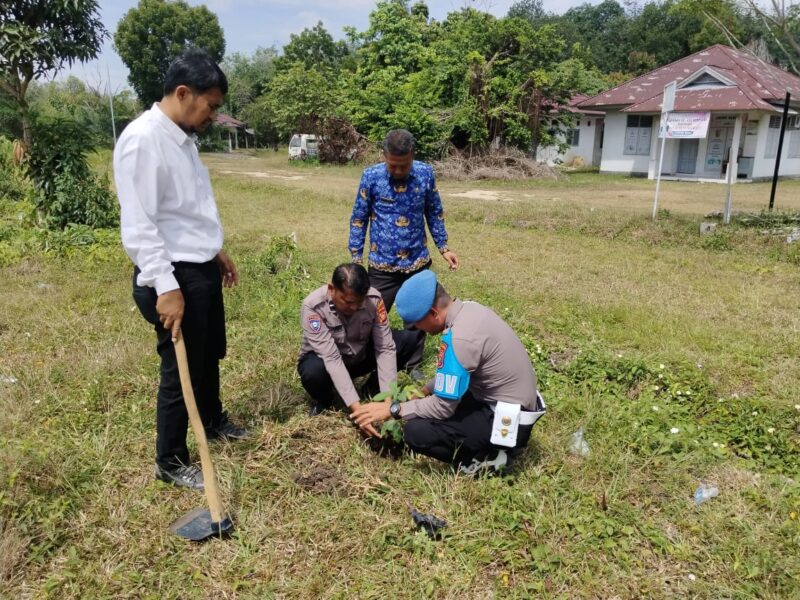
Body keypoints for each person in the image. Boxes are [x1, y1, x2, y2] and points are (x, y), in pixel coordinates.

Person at [114, 49, 247, 491]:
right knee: (181, 368)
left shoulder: (183, 139)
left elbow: (185, 210)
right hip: (172, 275)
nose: (213, 115)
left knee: (207, 354)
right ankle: (170, 459)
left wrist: (215, 250)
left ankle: (211, 421)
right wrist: (165, 286)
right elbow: (140, 224)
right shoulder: (143, 140)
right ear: (184, 93)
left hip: (198, 267)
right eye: (210, 105)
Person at [350, 271, 545, 474]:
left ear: (434, 313)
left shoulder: (460, 338)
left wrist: (393, 410)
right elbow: (458, 371)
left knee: (416, 432)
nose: (416, 327)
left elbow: (442, 407)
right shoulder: (469, 310)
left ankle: (490, 458)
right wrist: (426, 390)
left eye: (417, 322)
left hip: (508, 422)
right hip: (509, 404)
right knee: (424, 410)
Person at [347, 129, 460, 369]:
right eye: (393, 165)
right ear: (384, 156)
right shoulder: (371, 177)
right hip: (382, 264)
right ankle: (368, 359)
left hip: (417, 261)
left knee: (418, 317)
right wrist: (356, 257)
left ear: (413, 156)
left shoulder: (425, 174)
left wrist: (443, 247)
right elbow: (359, 218)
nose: (398, 171)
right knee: (370, 315)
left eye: (404, 165)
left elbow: (434, 212)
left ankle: (412, 363)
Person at [298, 263, 420, 426]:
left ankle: (374, 389)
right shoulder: (313, 307)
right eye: (348, 302)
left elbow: (384, 347)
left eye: (359, 302)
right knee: (312, 371)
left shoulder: (373, 299)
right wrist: (358, 411)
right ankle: (325, 400)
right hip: (327, 363)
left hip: (358, 356)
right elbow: (332, 358)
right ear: (332, 289)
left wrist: (388, 402)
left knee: (407, 340)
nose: (354, 307)